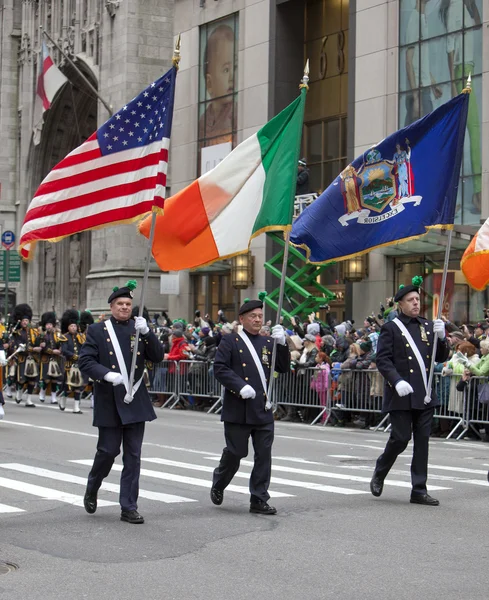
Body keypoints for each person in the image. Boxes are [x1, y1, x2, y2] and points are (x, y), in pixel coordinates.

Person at [78, 280, 164, 524]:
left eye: (128, 304)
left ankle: (129, 506)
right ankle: (93, 485)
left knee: (133, 456)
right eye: (120, 304)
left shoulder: (139, 329)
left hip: (135, 400)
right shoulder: (97, 330)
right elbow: (85, 361)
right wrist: (106, 373)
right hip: (109, 399)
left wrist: (148, 333)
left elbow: (157, 356)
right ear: (112, 306)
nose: (125, 308)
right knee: (108, 452)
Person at [370, 280, 449, 506]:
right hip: (402, 393)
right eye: (411, 300)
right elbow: (382, 360)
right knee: (401, 438)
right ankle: (380, 470)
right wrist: (396, 381)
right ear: (400, 305)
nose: (416, 303)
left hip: (423, 393)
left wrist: (442, 338)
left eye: (417, 300)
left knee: (422, 442)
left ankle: (419, 490)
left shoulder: (427, 326)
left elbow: (440, 357)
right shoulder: (391, 328)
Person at [210, 298, 290, 514]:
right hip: (239, 408)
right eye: (253, 316)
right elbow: (219, 368)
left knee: (264, 455)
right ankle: (219, 481)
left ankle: (259, 498)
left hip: (262, 409)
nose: (257, 320)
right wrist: (239, 386)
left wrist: (282, 344)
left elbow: (282, 368)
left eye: (260, 316)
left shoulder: (267, 342)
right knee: (236, 453)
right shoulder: (230, 341)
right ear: (242, 319)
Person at [198, 23, 237, 145]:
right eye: (226, 70)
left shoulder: (236, 113)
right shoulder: (203, 122)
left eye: (234, 67)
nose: (232, 76)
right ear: (209, 84)